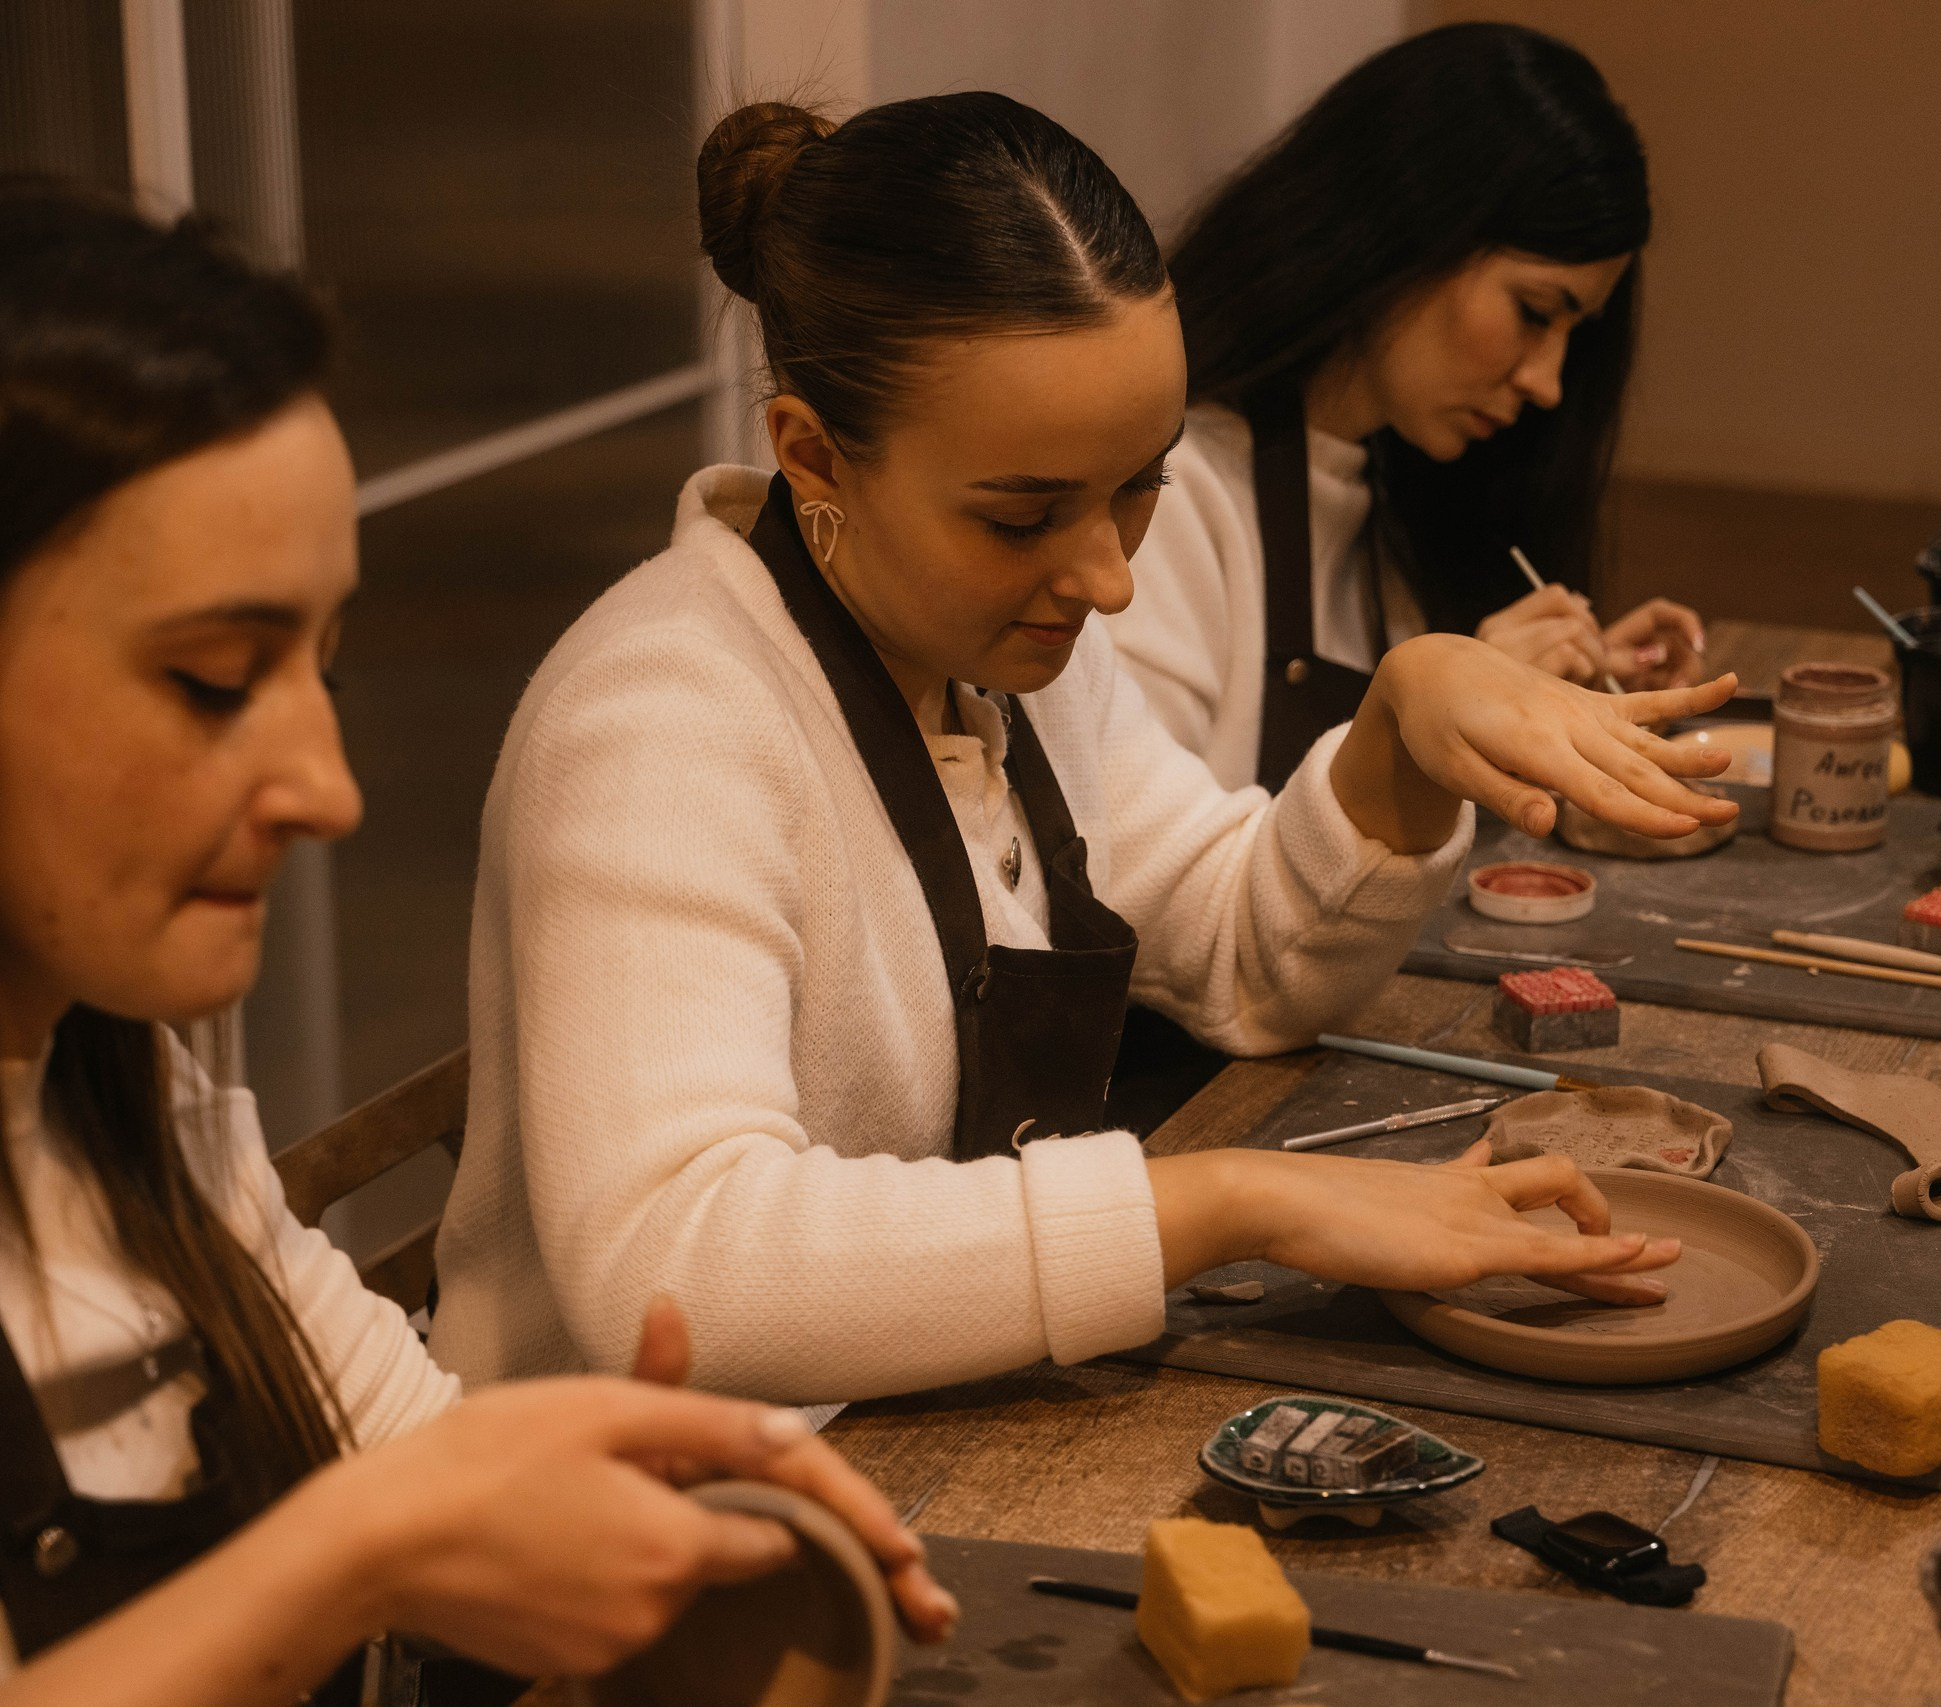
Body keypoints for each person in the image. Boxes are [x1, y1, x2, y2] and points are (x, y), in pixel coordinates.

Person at [428, 93, 1735, 1404]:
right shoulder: (663, 726)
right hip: (626, 1528)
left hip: (907, 1422)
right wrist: (1228, 1199)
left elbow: (1241, 952)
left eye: (1139, 485)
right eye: (1024, 514)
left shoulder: (1000, 650)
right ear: (813, 454)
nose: (1107, 577)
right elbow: (680, 1269)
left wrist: (1402, 722)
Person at [0, 185, 948, 1706]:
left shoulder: (118, 1091)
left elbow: (413, 1456)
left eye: (322, 661)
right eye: (211, 676)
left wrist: (640, 1504)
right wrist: (361, 1554)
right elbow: (385, 1527)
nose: (329, 788)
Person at [1107, 22, 1710, 795]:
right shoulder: (1173, 497)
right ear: (1411, 227)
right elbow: (1153, 877)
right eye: (1533, 311)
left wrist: (1564, 696)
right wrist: (1451, 714)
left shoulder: (1399, 491)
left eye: (1573, 334)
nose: (1550, 384)